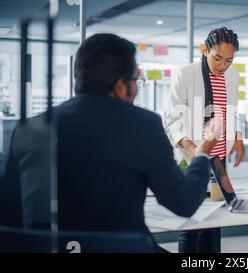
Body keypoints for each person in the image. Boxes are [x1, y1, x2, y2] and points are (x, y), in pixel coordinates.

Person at [0, 33, 218, 252]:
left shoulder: (29, 129)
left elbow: (8, 215)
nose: (137, 87)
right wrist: (201, 153)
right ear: (121, 86)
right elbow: (184, 203)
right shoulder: (144, 125)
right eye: (136, 80)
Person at [164, 27, 244, 253]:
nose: (223, 65)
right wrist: (195, 150)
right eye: (217, 58)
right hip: (191, 159)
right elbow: (171, 120)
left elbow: (231, 111)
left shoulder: (233, 75)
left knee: (215, 221)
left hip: (219, 160)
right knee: (191, 224)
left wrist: (236, 137)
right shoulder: (186, 73)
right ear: (204, 50)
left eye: (229, 60)